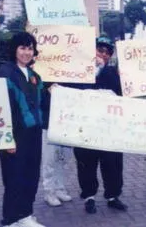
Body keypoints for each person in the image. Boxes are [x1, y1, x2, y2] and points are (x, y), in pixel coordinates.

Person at [0, 32, 48, 227]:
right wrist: (6, 138)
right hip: (13, 135)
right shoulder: (5, 73)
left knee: (31, 175)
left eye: (30, 48)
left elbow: (42, 102)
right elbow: (0, 108)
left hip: (34, 133)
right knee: (14, 178)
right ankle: (9, 223)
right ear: (14, 50)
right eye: (22, 48)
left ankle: (25, 215)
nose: (26, 52)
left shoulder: (34, 75)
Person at [69, 40, 128, 214]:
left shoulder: (113, 73)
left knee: (113, 163)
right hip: (85, 126)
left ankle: (113, 196)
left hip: (109, 127)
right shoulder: (79, 71)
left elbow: (123, 93)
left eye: (107, 52)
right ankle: (89, 197)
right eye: (100, 50)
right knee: (86, 163)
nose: (103, 54)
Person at [40, 82, 74, 207]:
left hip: (66, 124)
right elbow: (39, 102)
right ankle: (49, 191)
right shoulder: (41, 78)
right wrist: (47, 92)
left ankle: (59, 188)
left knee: (63, 158)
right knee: (49, 160)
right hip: (49, 124)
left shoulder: (69, 77)